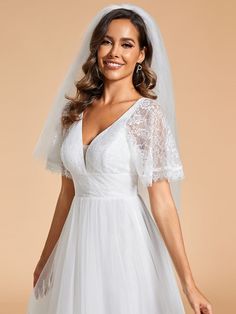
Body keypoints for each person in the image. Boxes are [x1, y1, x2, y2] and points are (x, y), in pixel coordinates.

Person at [26, 4, 212, 314]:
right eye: (107, 41)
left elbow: (163, 203)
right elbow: (66, 196)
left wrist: (188, 285)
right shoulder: (74, 113)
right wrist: (46, 259)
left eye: (127, 44)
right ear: (96, 47)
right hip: (79, 244)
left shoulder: (146, 115)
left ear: (141, 54)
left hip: (125, 241)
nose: (114, 52)